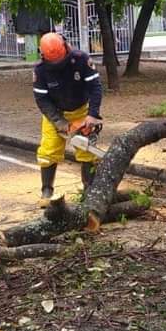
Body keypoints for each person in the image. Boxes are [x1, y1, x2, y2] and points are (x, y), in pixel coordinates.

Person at [32, 32, 103, 206]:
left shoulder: (81, 60)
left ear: (66, 46)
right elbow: (42, 99)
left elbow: (95, 88)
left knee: (86, 150)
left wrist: (92, 115)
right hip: (55, 113)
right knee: (48, 150)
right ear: (44, 55)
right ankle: (47, 190)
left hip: (81, 110)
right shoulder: (40, 71)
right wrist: (59, 122)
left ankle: (89, 190)